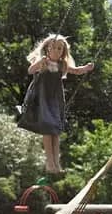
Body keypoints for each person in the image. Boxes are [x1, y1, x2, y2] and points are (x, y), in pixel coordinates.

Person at [17, 34, 94, 173]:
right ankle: (49, 162)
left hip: (55, 100)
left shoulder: (62, 64)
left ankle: (56, 162)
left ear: (63, 52)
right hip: (41, 99)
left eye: (60, 49)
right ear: (47, 49)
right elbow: (30, 71)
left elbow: (76, 71)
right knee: (47, 129)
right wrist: (39, 63)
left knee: (55, 131)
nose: (57, 51)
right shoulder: (44, 62)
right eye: (54, 48)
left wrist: (86, 68)